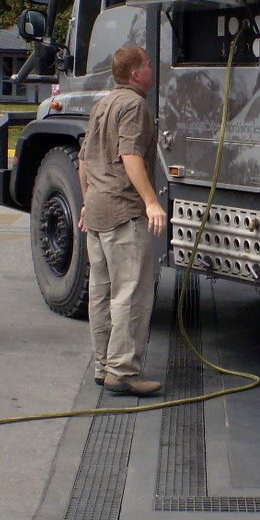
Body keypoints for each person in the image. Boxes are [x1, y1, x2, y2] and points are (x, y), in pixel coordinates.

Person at [78, 45, 166, 396]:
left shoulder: (102, 105)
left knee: (100, 291)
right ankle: (124, 370)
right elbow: (129, 155)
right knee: (130, 292)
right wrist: (151, 202)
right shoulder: (134, 105)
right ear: (135, 74)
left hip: (98, 210)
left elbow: (83, 159)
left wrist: (86, 201)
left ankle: (104, 365)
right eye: (147, 63)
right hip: (123, 212)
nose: (152, 67)